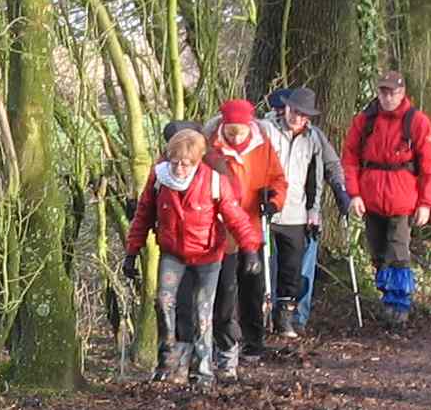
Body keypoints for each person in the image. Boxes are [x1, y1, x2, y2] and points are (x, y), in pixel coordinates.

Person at [126, 125, 256, 388]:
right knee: (164, 302)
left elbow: (236, 217)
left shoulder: (214, 181)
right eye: (175, 163)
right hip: (173, 253)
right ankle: (167, 362)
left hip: (208, 256)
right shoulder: (159, 178)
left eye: (186, 164)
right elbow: (143, 215)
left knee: (203, 311)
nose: (179, 169)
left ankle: (203, 369)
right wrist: (131, 251)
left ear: (196, 162)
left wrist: (250, 249)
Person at [341, 69, 431, 326]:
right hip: (371, 197)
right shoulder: (365, 120)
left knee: (398, 251)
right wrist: (353, 194)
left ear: (402, 93)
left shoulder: (416, 122)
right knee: (377, 251)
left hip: (403, 199)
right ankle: (387, 295)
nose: (388, 97)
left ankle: (400, 304)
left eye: (393, 92)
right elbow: (350, 158)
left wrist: (426, 203)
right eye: (383, 92)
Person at [260, 88, 352, 338]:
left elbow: (317, 177)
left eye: (303, 115)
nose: (297, 118)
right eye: (294, 112)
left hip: (296, 212)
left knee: (292, 269)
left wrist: (317, 208)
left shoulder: (313, 139)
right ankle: (262, 318)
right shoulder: (265, 130)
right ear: (285, 108)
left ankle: (288, 317)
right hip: (267, 209)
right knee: (264, 267)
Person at [205, 98, 287, 377]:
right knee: (225, 290)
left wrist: (274, 201)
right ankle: (224, 343)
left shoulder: (261, 146)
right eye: (231, 131)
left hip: (252, 224)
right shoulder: (210, 148)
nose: (236, 136)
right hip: (222, 230)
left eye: (240, 131)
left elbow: (278, 179)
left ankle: (254, 340)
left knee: (253, 286)